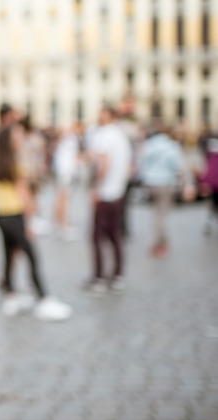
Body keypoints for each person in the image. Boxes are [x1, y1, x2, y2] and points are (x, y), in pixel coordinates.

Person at [0, 124, 73, 321]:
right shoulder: (16, 164)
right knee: (32, 256)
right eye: (17, 138)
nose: (21, 141)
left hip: (1, 215)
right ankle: (43, 298)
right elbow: (24, 195)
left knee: (8, 255)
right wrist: (30, 221)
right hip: (17, 215)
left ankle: (11, 296)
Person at [84, 106, 132, 293]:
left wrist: (96, 187)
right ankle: (118, 275)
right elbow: (130, 166)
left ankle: (99, 278)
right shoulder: (121, 136)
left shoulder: (104, 135)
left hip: (105, 192)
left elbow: (104, 162)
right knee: (115, 236)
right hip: (118, 191)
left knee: (97, 237)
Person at [138, 126, 189, 257]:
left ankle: (163, 242)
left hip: (150, 183)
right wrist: (185, 184)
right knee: (161, 215)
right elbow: (178, 166)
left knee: (157, 213)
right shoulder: (171, 146)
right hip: (165, 183)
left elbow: (141, 164)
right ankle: (157, 243)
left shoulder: (148, 145)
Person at [51, 124, 82, 241]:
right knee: (64, 199)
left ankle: (60, 224)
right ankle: (63, 226)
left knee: (62, 199)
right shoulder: (69, 141)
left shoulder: (64, 141)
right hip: (65, 174)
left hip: (63, 173)